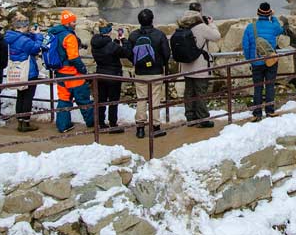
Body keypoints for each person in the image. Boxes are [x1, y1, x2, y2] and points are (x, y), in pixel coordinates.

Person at [48, 10, 95, 133]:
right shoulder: (69, 37)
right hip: (73, 74)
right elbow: (73, 57)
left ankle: (63, 125)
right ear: (68, 23)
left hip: (60, 72)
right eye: (73, 21)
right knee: (83, 99)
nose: (75, 24)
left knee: (64, 99)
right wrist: (83, 70)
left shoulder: (55, 33)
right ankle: (92, 123)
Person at [128, 9, 170, 139]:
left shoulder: (134, 35)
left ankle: (140, 128)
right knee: (155, 99)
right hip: (156, 71)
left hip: (140, 72)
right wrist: (161, 63)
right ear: (152, 19)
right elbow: (166, 54)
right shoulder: (159, 34)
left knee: (141, 99)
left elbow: (129, 53)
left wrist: (137, 64)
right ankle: (155, 127)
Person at [175, 9, 220, 128]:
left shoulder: (182, 27)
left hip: (186, 66)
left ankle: (190, 118)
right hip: (200, 66)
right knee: (200, 92)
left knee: (189, 92)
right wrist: (211, 24)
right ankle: (203, 119)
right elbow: (216, 36)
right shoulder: (201, 27)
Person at [242, 2, 283, 121]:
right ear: (269, 14)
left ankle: (257, 113)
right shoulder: (272, 26)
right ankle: (270, 111)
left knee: (258, 87)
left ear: (257, 13)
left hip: (256, 62)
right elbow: (280, 29)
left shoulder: (251, 27)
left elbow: (245, 45)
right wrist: (273, 17)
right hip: (271, 61)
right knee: (270, 85)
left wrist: (250, 59)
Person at [91, 19, 132, 133]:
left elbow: (107, 48)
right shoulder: (112, 46)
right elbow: (126, 53)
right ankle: (113, 124)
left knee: (101, 100)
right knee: (113, 101)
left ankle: (100, 124)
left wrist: (114, 42)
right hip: (113, 76)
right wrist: (123, 39)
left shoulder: (95, 43)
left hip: (100, 74)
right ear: (109, 31)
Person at [4, 14, 43, 132]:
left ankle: (20, 121)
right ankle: (25, 123)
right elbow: (36, 48)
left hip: (18, 70)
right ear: (23, 26)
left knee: (20, 96)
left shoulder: (11, 37)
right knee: (27, 98)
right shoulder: (24, 40)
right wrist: (38, 36)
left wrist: (31, 34)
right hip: (28, 71)